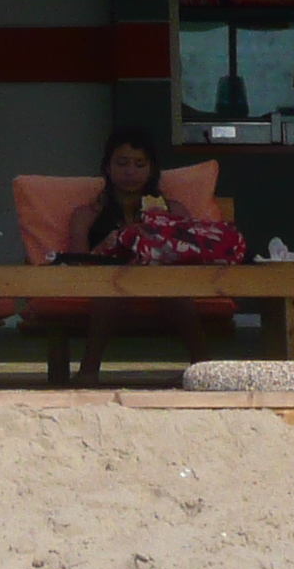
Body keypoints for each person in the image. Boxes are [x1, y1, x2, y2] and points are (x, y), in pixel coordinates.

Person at [60, 126, 210, 384]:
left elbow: (191, 252)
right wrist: (103, 249)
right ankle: (88, 370)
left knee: (176, 293)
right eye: (122, 163)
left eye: (139, 164)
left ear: (151, 169)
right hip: (107, 284)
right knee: (110, 294)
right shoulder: (88, 214)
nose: (130, 172)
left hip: (162, 282)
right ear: (107, 167)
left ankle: (205, 369)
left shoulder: (173, 210)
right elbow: (77, 263)